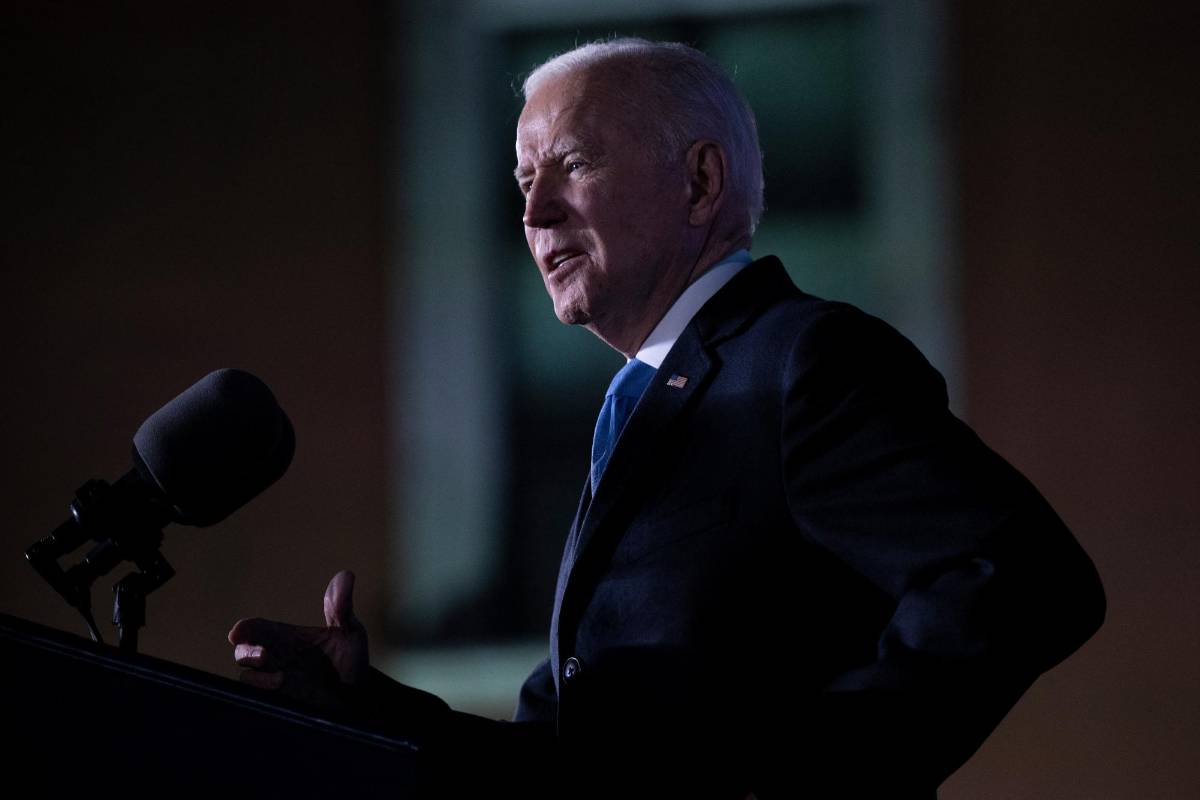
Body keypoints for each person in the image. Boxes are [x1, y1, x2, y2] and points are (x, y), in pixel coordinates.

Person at [229, 39, 1105, 797]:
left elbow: (1022, 576)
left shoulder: (802, 361)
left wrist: (801, 784)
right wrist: (362, 702)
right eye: (525, 181)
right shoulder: (644, 409)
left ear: (699, 180)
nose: (533, 214)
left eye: (572, 165)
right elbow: (562, 765)